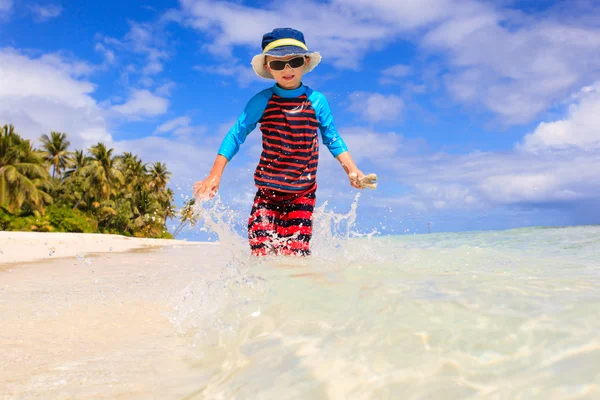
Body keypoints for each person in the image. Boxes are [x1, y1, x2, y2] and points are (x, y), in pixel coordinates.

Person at [193, 27, 372, 257]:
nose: (287, 69)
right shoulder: (263, 101)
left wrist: (352, 170)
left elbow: (332, 137)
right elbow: (236, 134)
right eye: (278, 64)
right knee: (261, 254)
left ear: (305, 62)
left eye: (294, 61)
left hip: (302, 193)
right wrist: (215, 174)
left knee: (295, 257)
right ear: (268, 67)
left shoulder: (316, 101)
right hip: (267, 193)